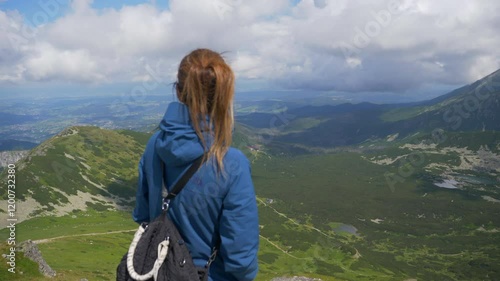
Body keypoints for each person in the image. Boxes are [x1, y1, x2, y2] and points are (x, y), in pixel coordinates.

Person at [132, 48, 259, 281]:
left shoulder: (154, 145)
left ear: (179, 92)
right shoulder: (231, 163)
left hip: (158, 273)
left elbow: (142, 213)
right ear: (223, 94)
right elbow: (241, 259)